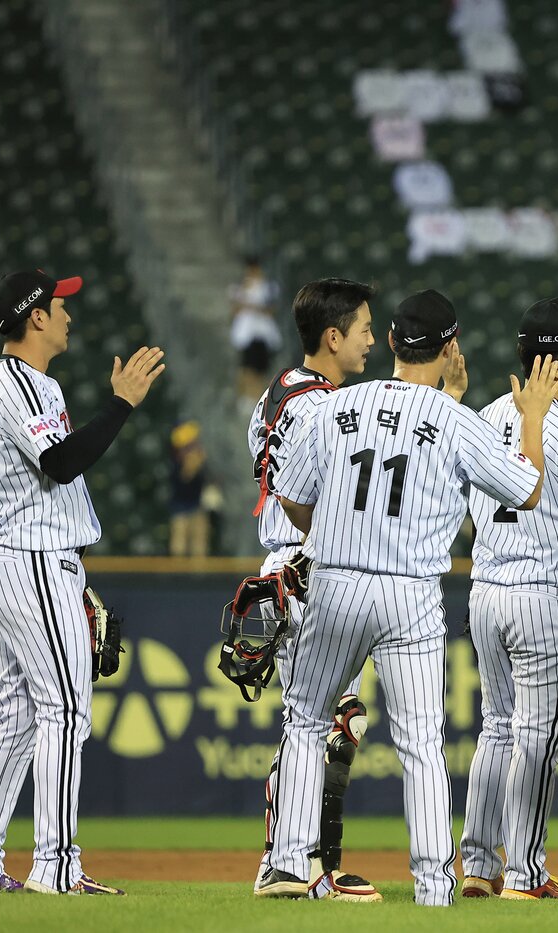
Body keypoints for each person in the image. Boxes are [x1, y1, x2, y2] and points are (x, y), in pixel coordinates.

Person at [265, 290, 558, 906]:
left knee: (305, 718)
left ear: (394, 343)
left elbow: (287, 494)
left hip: (336, 581)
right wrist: (532, 416)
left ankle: (290, 863)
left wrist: (334, 530)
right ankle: (432, 886)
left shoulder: (333, 405)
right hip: (410, 595)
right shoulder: (459, 421)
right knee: (422, 744)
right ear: (450, 348)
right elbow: (528, 491)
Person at [0, 270, 164, 895]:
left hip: (19, 560)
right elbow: (62, 461)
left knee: (19, 718)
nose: (68, 311)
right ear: (34, 317)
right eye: (59, 302)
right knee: (65, 710)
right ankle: (56, 868)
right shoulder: (17, 382)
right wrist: (121, 402)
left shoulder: (31, 382)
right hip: (32, 558)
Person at [460, 298, 558, 900]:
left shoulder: (486, 414)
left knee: (496, 729)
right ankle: (523, 873)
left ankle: (477, 864)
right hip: (549, 596)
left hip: (487, 592)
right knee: (537, 738)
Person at [247, 279, 386, 900]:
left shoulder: (279, 394)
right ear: (332, 336)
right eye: (361, 329)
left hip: (292, 566)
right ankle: (287, 861)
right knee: (316, 723)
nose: (370, 340)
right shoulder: (323, 407)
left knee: (332, 723)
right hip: (310, 568)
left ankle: (312, 864)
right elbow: (321, 500)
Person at [231, 257, 283, 405]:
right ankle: (248, 397)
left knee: (261, 369)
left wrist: (252, 306)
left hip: (264, 334)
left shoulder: (269, 287)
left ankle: (262, 399)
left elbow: (271, 310)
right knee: (247, 369)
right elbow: (235, 309)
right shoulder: (239, 287)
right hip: (246, 335)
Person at [168, 421, 211, 557]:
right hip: (180, 507)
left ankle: (200, 572)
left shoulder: (199, 458)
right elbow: (183, 478)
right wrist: (192, 464)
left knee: (199, 541)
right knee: (179, 541)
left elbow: (207, 480)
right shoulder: (176, 461)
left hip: (197, 505)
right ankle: (178, 572)